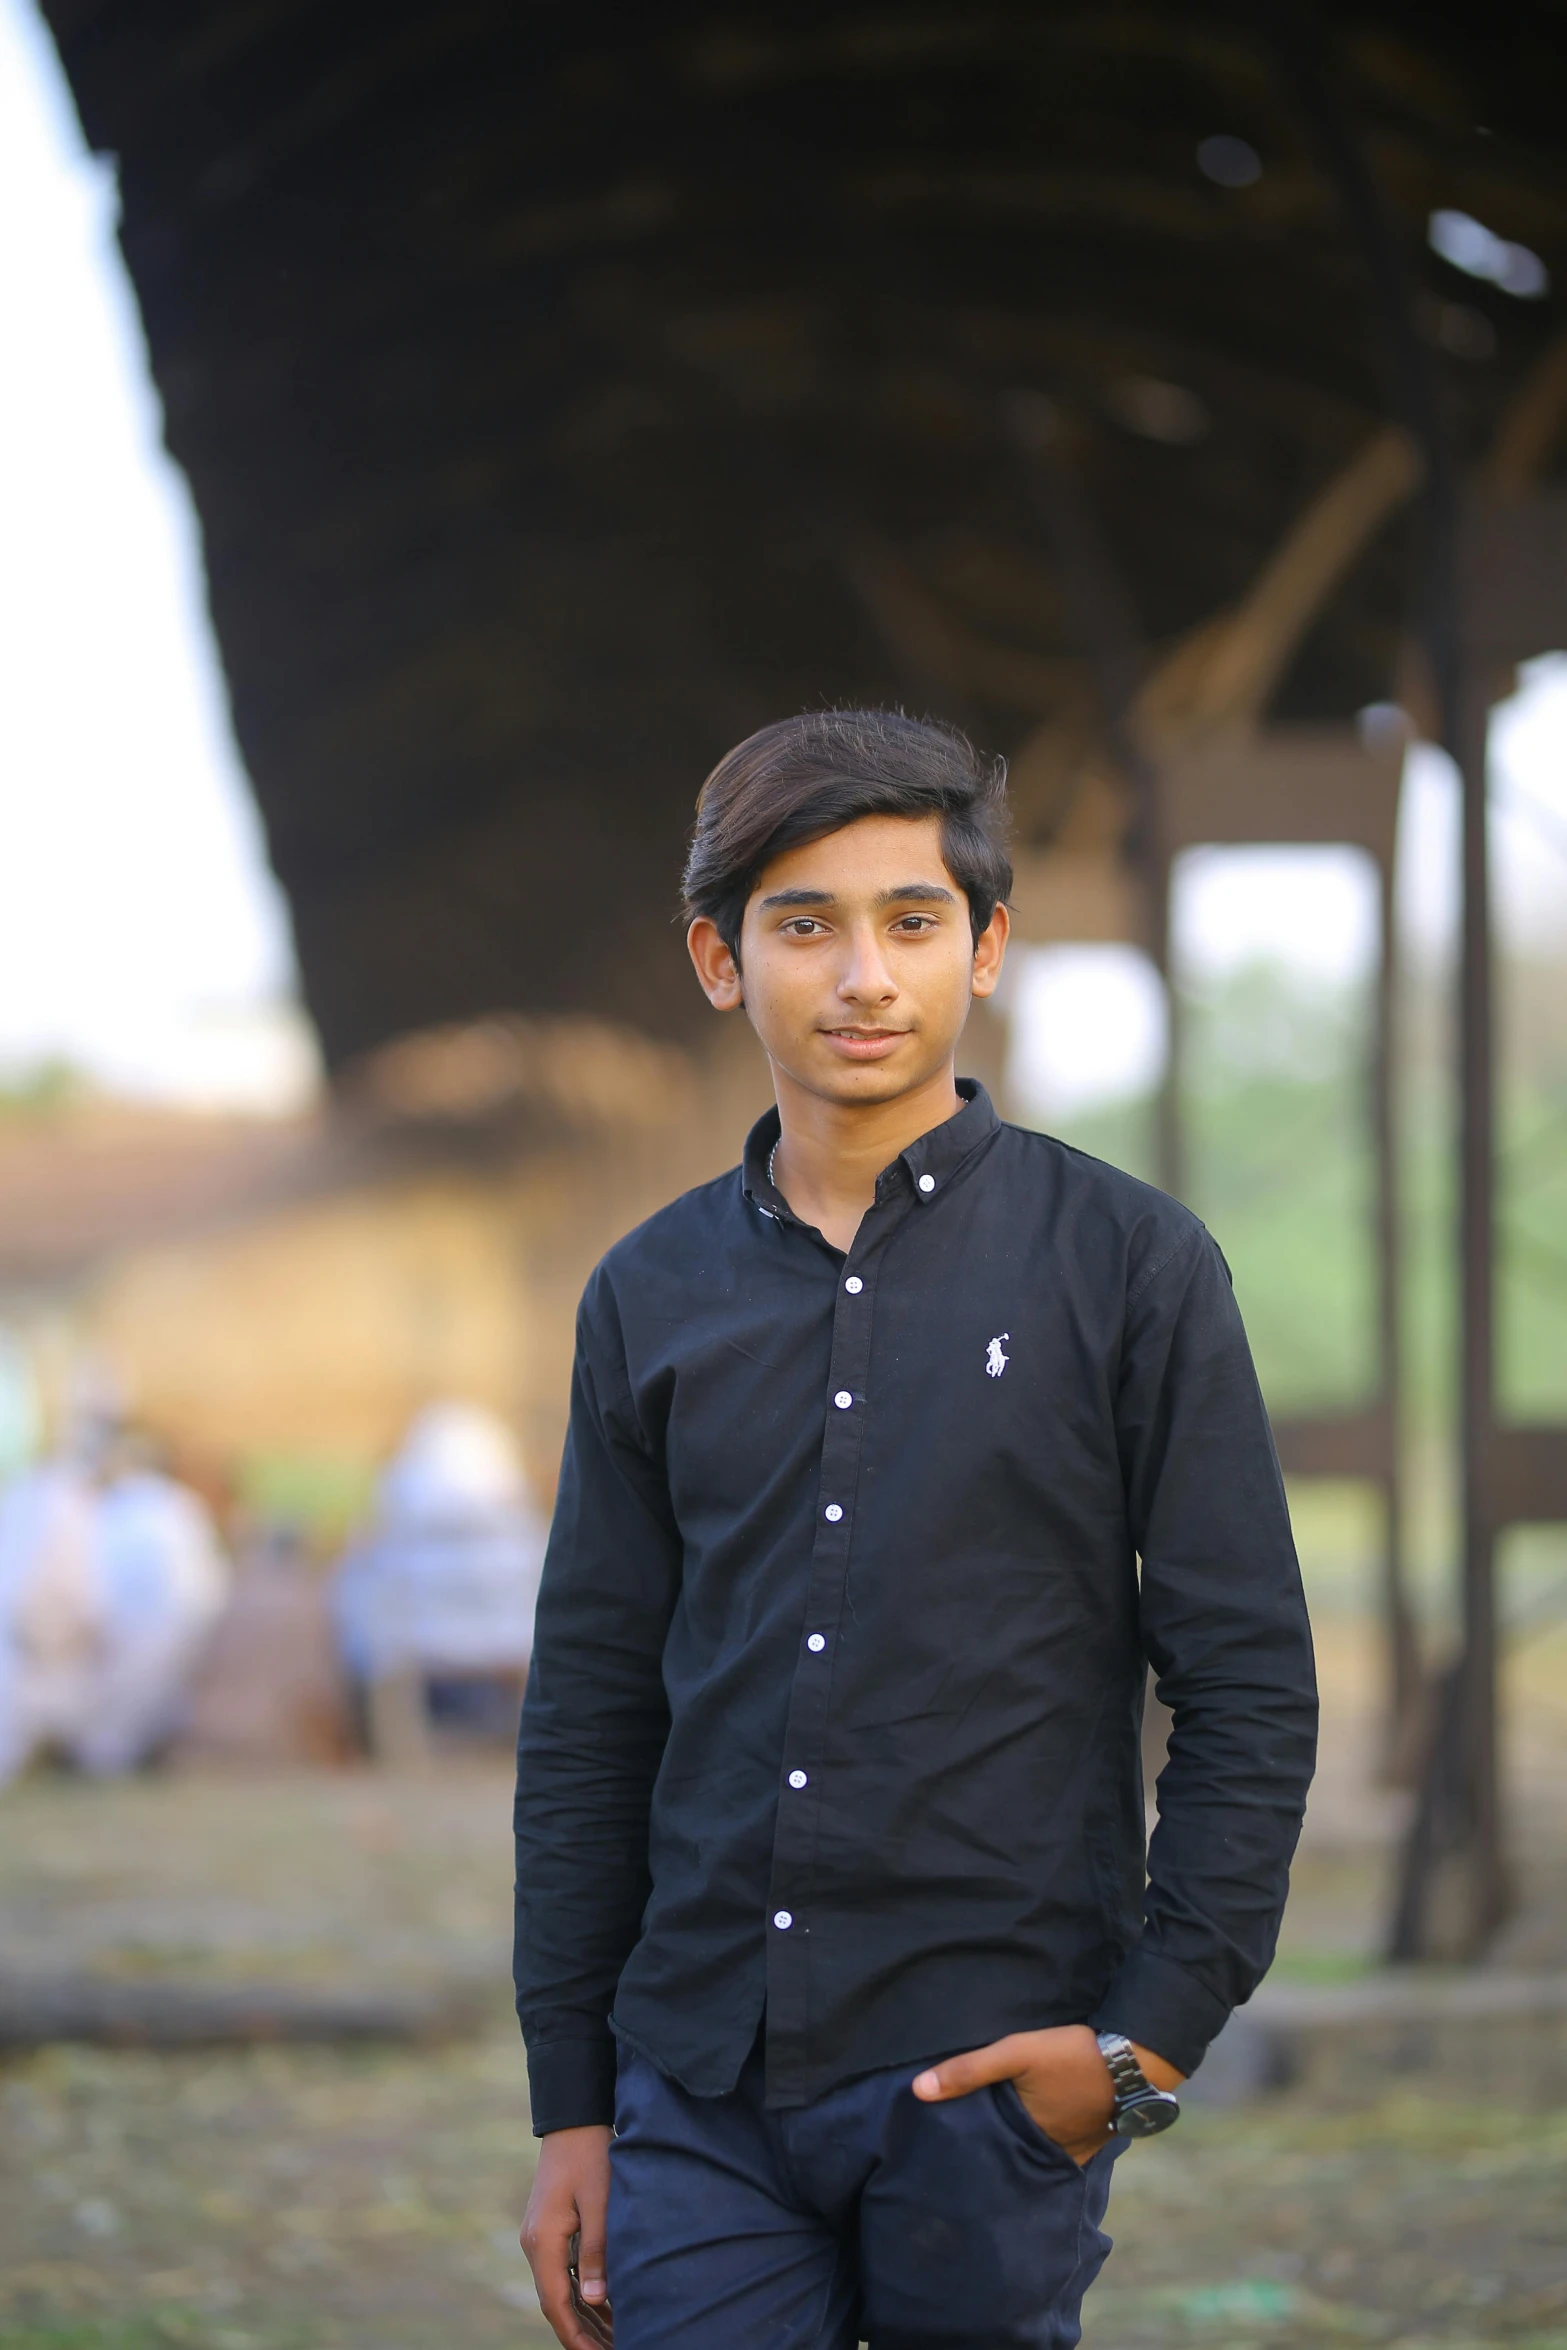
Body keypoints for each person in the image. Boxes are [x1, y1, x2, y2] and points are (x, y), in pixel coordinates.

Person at [513, 709, 1317, 2350]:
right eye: (803, 924)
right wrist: (570, 2102)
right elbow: (592, 1714)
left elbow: (1248, 1686)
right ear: (719, 961)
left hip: (988, 2073)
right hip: (701, 2082)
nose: (862, 974)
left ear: (987, 945)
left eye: (910, 919)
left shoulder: (1131, 1267)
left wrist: (1141, 2045)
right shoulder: (646, 1295)